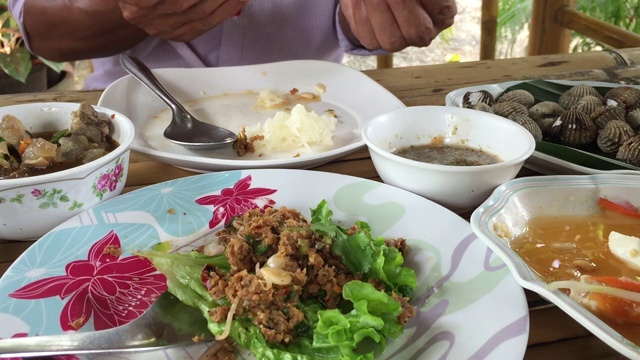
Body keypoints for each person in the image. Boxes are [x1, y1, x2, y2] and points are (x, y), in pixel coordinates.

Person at [8, 0, 457, 90]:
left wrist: (386, 16)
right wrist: (124, 9)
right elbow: (43, 30)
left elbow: (350, 18)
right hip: (133, 139)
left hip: (313, 131)